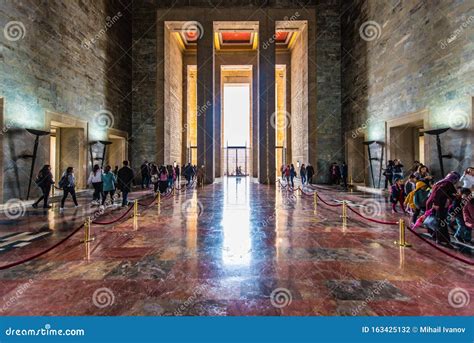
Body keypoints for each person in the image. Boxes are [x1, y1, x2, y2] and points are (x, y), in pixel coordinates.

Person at [425, 171, 460, 247]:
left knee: (437, 220)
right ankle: (442, 239)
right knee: (441, 222)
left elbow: (448, 194)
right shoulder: (447, 183)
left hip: (435, 204)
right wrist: (436, 204)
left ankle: (435, 235)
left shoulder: (443, 182)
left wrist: (453, 196)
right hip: (438, 205)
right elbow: (438, 193)